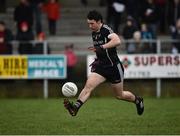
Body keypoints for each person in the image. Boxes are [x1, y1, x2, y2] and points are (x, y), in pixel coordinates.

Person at [63, 10, 144, 116]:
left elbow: (117, 41)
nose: (90, 26)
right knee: (88, 86)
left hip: (113, 67)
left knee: (119, 95)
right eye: (88, 24)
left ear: (99, 21)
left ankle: (138, 100)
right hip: (101, 66)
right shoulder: (94, 33)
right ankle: (76, 107)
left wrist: (102, 47)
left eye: (92, 23)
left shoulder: (106, 30)